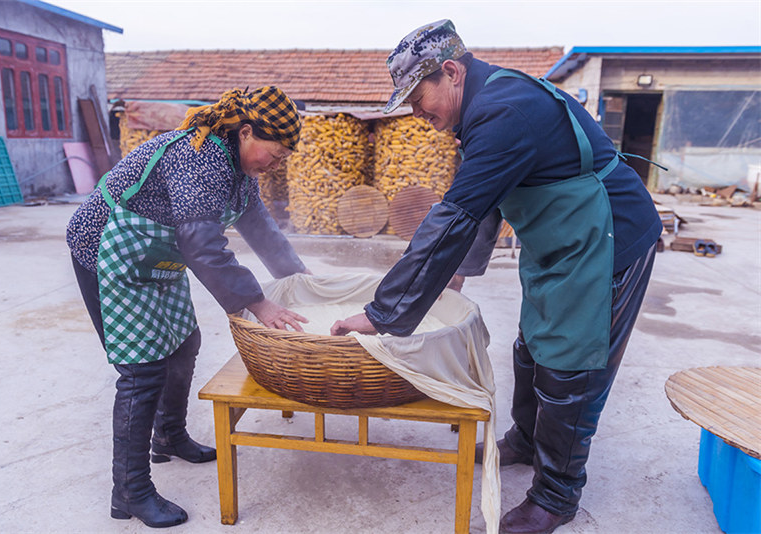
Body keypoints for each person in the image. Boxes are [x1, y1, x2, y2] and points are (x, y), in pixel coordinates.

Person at [331, 20, 661, 534]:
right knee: (532, 347)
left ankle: (556, 496)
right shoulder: (485, 107)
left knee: (572, 367)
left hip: (606, 239)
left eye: (419, 99)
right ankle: (528, 441)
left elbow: (456, 215)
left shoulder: (505, 111)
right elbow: (484, 196)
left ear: (451, 72)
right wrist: (461, 269)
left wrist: (382, 314)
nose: (419, 115)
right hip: (561, 240)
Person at [67, 86, 310, 528]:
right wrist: (257, 302)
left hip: (154, 255)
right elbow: (201, 244)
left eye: (283, 160)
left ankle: (170, 436)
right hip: (108, 248)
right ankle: (130, 492)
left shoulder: (238, 170)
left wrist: (303, 283)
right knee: (142, 371)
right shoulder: (199, 158)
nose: (275, 165)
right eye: (274, 155)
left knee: (184, 342)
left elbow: (262, 231)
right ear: (246, 131)